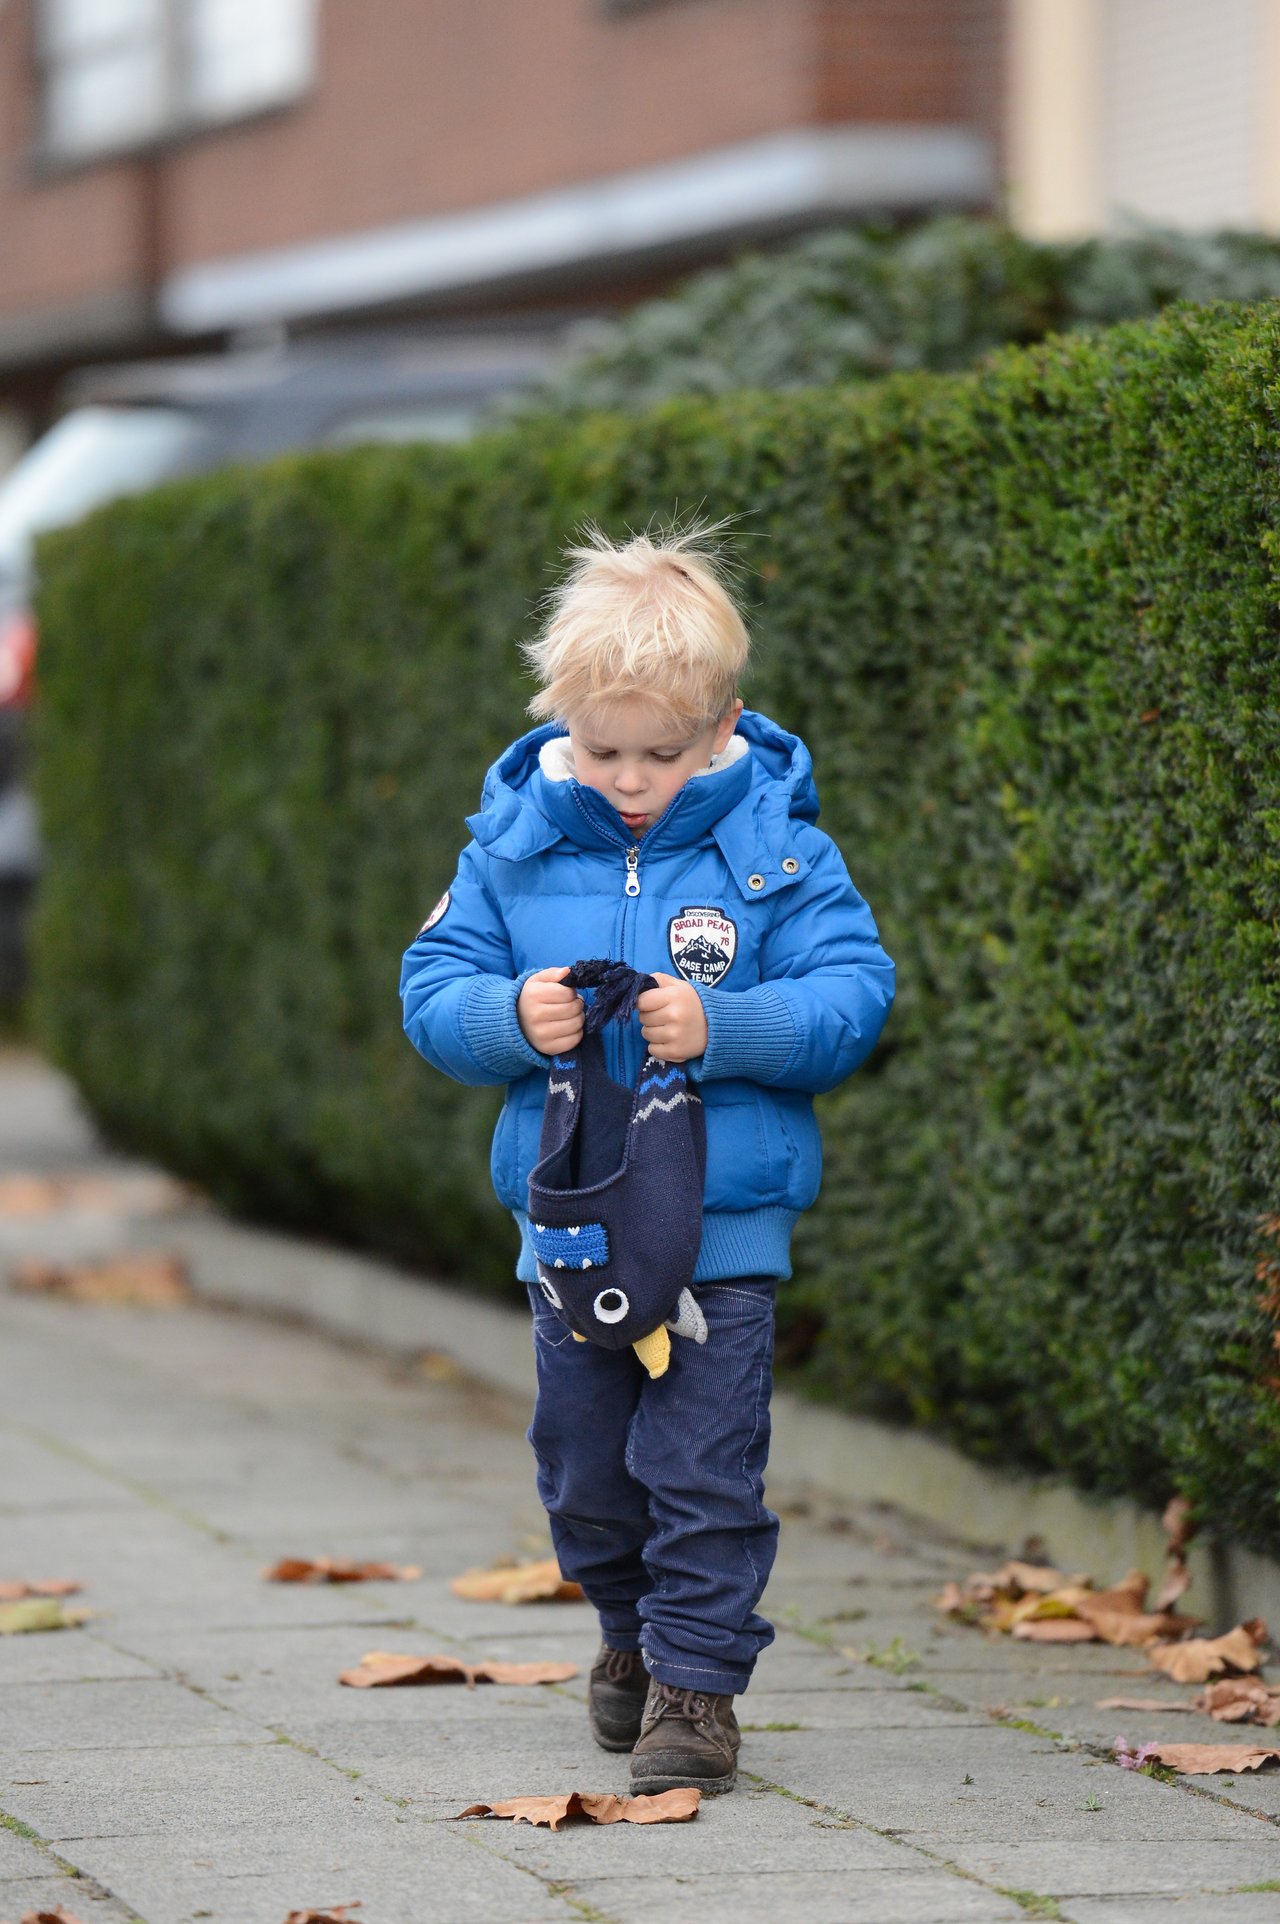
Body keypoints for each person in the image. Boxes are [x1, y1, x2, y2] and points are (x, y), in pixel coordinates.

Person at [400, 525, 895, 1795]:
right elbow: (432, 986)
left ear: (721, 725)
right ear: (559, 718)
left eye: (661, 754)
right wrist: (509, 1013)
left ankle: (694, 1687)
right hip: (573, 1226)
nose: (629, 779)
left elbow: (852, 996)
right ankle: (623, 1627)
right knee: (584, 1467)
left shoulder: (779, 853)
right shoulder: (512, 846)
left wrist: (723, 1025)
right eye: (601, 748)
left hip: (717, 1231)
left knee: (702, 1466)